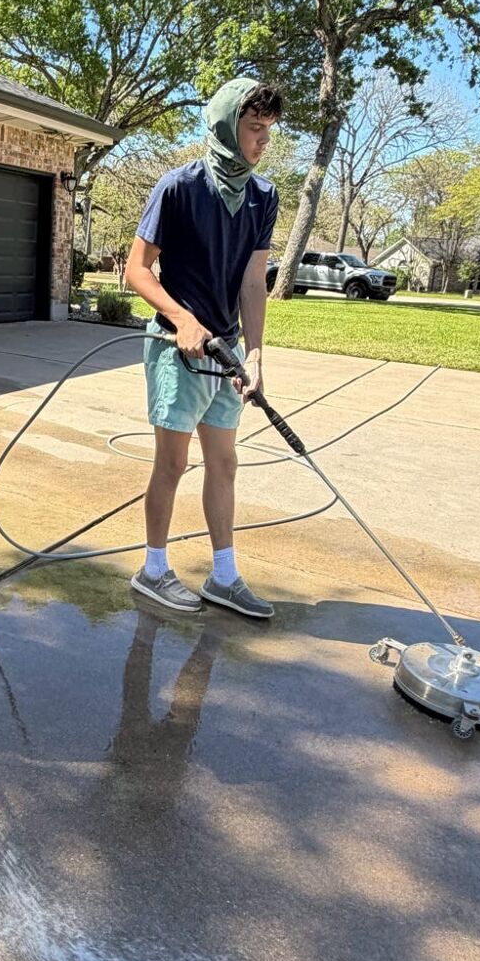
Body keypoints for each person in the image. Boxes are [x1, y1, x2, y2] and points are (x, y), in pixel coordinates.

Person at [123, 78, 283, 619]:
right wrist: (182, 318)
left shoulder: (264, 197)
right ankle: (152, 568)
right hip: (177, 348)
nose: (263, 141)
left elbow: (252, 283)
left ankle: (223, 576)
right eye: (254, 128)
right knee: (172, 463)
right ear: (225, 125)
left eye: (268, 131)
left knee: (225, 462)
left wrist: (255, 355)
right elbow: (135, 271)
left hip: (226, 352)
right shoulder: (178, 187)